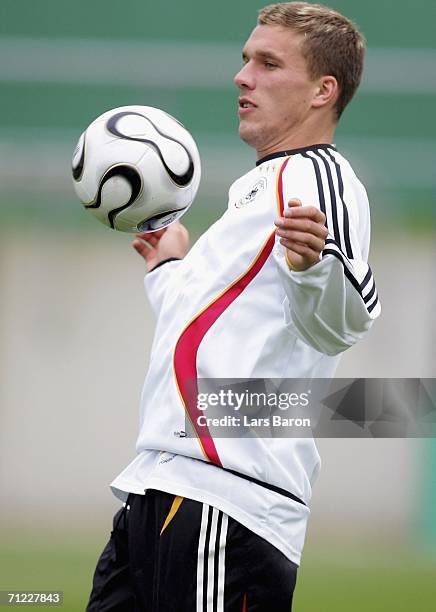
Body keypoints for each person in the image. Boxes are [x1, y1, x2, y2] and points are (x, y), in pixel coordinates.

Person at [87, 2, 381, 610]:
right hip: (155, 493)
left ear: (323, 90)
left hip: (227, 509)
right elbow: (207, 335)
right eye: (245, 59)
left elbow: (346, 318)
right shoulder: (252, 194)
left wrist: (314, 265)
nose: (242, 76)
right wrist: (169, 269)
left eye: (268, 63)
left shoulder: (318, 175)